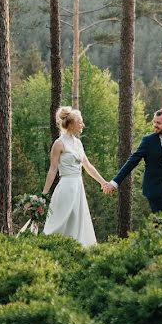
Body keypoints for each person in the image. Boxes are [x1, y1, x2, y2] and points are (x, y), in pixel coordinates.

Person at [42, 106, 108, 247]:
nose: (82, 125)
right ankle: (52, 246)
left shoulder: (78, 143)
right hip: (66, 186)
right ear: (71, 124)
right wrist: (44, 193)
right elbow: (53, 169)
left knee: (77, 218)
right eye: (80, 122)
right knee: (62, 218)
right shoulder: (58, 144)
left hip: (78, 186)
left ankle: (77, 248)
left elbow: (88, 166)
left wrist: (103, 182)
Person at [103, 108, 162, 218]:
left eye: (158, 123)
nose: (155, 125)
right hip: (152, 188)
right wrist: (114, 183)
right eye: (154, 122)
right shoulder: (148, 141)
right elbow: (132, 162)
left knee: (159, 223)